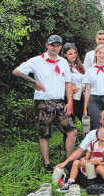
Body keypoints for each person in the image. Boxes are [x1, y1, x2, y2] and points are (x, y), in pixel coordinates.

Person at [13, 35, 77, 171]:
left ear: (61, 47)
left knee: (72, 131)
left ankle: (69, 162)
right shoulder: (36, 61)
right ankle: (47, 164)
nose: (55, 48)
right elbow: (16, 71)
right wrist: (34, 82)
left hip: (60, 102)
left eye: (58, 45)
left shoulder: (63, 62)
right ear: (47, 45)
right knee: (45, 134)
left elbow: (68, 83)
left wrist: (69, 102)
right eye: (52, 45)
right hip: (42, 102)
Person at [57, 125, 104, 192]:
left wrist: (97, 162)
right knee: (76, 162)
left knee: (100, 167)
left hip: (99, 166)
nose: (102, 134)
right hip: (90, 166)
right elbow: (87, 158)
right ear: (96, 136)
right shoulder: (92, 145)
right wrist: (84, 161)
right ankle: (70, 182)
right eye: (100, 133)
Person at [61, 43, 85, 124]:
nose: (73, 55)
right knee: (70, 124)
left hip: (80, 97)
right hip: (69, 98)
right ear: (64, 54)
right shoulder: (63, 66)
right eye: (70, 54)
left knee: (87, 122)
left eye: (75, 53)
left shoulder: (80, 66)